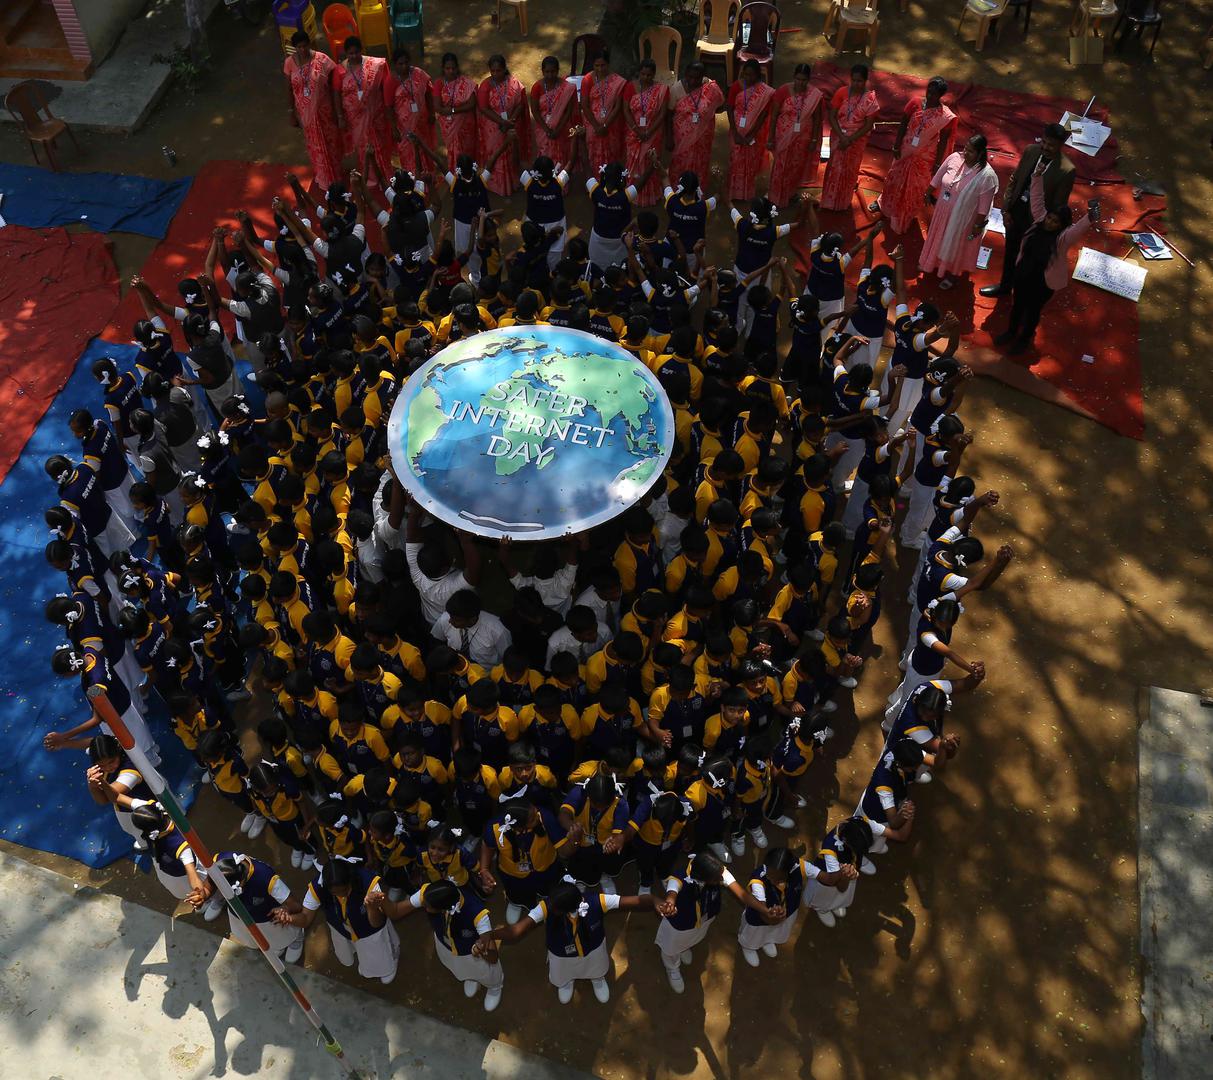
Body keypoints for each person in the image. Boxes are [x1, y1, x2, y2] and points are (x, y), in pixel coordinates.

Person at [488, 876, 655, 1003]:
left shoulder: (597, 901)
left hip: (593, 950)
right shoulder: (549, 905)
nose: (548, 907)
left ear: (567, 908)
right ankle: (566, 982)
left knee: (595, 966)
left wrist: (656, 900)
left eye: (555, 908)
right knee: (563, 971)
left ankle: (596, 978)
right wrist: (490, 934)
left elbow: (634, 901)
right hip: (561, 954)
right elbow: (517, 931)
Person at [992, 172, 1097, 354]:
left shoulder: (1063, 238)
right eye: (1050, 217)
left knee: (1032, 312)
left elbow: (1078, 229)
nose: (1049, 222)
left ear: (1062, 225)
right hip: (1024, 273)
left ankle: (1024, 339)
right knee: (1017, 305)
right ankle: (1010, 332)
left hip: (1042, 283)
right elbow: (1037, 199)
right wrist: (1037, 177)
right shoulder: (1039, 220)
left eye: (1055, 221)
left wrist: (1090, 217)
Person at [371, 878, 504, 1011]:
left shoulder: (478, 915)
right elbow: (395, 912)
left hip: (470, 953)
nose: (426, 907)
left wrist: (481, 950)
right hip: (446, 946)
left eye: (428, 907)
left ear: (444, 908)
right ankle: (472, 978)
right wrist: (381, 900)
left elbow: (492, 958)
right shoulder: (429, 893)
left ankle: (495, 987)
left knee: (485, 971)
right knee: (462, 969)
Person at [654, 850, 774, 993]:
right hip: (680, 924)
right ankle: (672, 967)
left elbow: (742, 895)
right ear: (703, 877)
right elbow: (672, 893)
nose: (720, 880)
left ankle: (684, 948)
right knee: (671, 947)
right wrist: (669, 903)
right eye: (716, 879)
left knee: (693, 937)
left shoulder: (717, 870)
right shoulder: (679, 878)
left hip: (704, 917)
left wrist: (764, 910)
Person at [981, 122, 1077, 299]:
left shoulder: (1066, 170)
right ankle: (1005, 286)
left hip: (1037, 223)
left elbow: (1058, 205)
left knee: (1028, 261)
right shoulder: (1031, 151)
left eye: (1051, 145)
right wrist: (1006, 209)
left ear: (1060, 146)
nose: (1046, 148)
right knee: (1010, 252)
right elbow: (1015, 180)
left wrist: (1043, 228)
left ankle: (1021, 295)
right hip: (1016, 212)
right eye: (1045, 142)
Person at [275, 857, 400, 984]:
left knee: (379, 949)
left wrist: (372, 908)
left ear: (350, 880)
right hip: (341, 929)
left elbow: (377, 923)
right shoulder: (317, 887)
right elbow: (306, 918)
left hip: (370, 930)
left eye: (345, 890)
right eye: (335, 892)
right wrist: (290, 918)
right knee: (358, 950)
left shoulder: (368, 883)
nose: (341, 895)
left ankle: (391, 961)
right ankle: (368, 961)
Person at [872, 77, 957, 234]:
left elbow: (943, 142)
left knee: (915, 188)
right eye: (929, 91)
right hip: (905, 150)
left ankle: (905, 215)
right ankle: (885, 205)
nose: (930, 95)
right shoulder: (915, 103)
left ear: (941, 96)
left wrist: (937, 165)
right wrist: (896, 145)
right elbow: (903, 124)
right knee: (894, 178)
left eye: (934, 94)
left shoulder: (945, 116)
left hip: (925, 159)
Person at [918, 134, 999, 290]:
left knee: (957, 246)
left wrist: (977, 226)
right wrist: (928, 192)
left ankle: (952, 275)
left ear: (980, 154)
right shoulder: (954, 158)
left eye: (970, 151)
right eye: (965, 149)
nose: (965, 153)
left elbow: (984, 207)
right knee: (938, 237)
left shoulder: (986, 176)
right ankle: (931, 263)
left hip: (964, 221)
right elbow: (938, 177)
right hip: (943, 212)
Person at [200, 851, 305, 963]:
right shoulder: (220, 862)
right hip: (240, 915)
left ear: (240, 884)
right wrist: (203, 894)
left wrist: (285, 909)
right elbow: (209, 883)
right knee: (261, 939)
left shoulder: (266, 878)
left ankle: (296, 938)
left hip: (269, 918)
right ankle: (275, 944)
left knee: (281, 934)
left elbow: (296, 905)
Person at [284, 32, 344, 193]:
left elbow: (335, 81)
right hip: (306, 115)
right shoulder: (289, 63)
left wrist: (338, 109)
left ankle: (336, 176)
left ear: (309, 44)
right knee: (315, 145)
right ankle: (324, 177)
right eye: (299, 47)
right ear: (294, 47)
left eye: (305, 46)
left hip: (324, 110)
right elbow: (289, 89)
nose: (303, 49)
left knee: (330, 142)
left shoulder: (322, 59)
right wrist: (292, 112)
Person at [820, 64, 879, 212]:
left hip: (856, 140)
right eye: (854, 80)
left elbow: (868, 125)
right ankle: (827, 202)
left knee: (849, 171)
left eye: (859, 81)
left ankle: (842, 203)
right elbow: (832, 116)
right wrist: (842, 136)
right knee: (834, 167)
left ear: (865, 81)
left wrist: (850, 139)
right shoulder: (842, 92)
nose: (856, 84)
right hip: (839, 137)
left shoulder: (870, 99)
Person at [333, 36, 394, 182]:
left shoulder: (376, 65)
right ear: (346, 53)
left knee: (381, 145)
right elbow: (336, 93)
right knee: (362, 147)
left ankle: (386, 173)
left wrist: (389, 109)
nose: (353, 56)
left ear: (361, 51)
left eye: (356, 52)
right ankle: (371, 176)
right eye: (350, 53)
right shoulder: (340, 70)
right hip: (356, 119)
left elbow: (385, 87)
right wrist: (340, 117)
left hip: (376, 115)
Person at [766, 64, 824, 209]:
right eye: (798, 79)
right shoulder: (783, 91)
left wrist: (814, 140)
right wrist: (771, 137)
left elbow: (817, 119)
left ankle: (790, 194)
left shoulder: (814, 96)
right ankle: (774, 197)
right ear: (794, 77)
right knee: (780, 166)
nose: (800, 82)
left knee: (795, 167)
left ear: (808, 80)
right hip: (783, 136)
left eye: (804, 80)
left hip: (802, 139)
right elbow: (773, 116)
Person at [130, 803, 208, 906]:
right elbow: (122, 799)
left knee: (202, 889)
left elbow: (192, 875)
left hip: (183, 876)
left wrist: (200, 894)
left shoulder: (181, 846)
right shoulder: (152, 814)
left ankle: (210, 899)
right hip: (165, 868)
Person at [476, 55, 531, 196]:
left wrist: (510, 120)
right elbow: (483, 108)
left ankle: (514, 181)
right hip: (493, 128)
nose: (495, 74)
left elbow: (520, 104)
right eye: (492, 71)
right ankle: (497, 185)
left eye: (499, 70)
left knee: (512, 153)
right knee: (497, 154)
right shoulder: (485, 86)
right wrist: (502, 122)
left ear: (504, 69)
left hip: (511, 125)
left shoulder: (513, 82)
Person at [726, 60, 776, 204]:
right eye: (746, 74)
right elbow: (729, 107)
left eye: (751, 75)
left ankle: (747, 192)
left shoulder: (765, 91)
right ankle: (733, 192)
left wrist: (752, 134)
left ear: (758, 75)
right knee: (736, 160)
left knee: (750, 162)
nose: (748, 78)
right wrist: (735, 132)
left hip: (754, 133)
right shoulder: (737, 86)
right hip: (736, 128)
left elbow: (764, 114)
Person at [667, 61, 725, 185]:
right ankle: (679, 189)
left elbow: (720, 106)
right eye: (690, 77)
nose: (693, 81)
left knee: (701, 162)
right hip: (681, 138)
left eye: (697, 78)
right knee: (680, 162)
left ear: (703, 76)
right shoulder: (676, 89)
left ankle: (697, 189)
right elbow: (669, 113)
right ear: (685, 74)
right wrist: (669, 137)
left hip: (703, 138)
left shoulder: (710, 88)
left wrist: (706, 115)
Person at [622, 60, 669, 207]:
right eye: (643, 74)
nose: (646, 77)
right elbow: (626, 110)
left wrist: (649, 131)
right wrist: (636, 130)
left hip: (653, 134)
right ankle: (633, 193)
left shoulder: (662, 90)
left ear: (654, 74)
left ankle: (650, 194)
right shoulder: (631, 87)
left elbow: (662, 114)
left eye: (649, 75)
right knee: (633, 163)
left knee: (650, 163)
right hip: (634, 133)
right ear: (639, 73)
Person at [386, 47, 434, 176]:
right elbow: (389, 107)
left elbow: (428, 93)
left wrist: (432, 113)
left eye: (406, 62)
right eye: (400, 64)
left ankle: (428, 175)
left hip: (422, 121)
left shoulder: (418, 74)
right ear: (395, 64)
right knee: (409, 152)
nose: (404, 66)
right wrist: (394, 128)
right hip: (404, 127)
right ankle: (413, 177)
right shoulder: (391, 81)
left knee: (425, 147)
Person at [581, 51, 627, 176]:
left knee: (613, 152)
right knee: (593, 153)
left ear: (608, 64)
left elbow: (618, 106)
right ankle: (595, 182)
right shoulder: (587, 80)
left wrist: (605, 125)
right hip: (592, 124)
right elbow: (585, 105)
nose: (600, 69)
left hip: (612, 125)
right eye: (596, 65)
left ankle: (613, 179)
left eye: (603, 65)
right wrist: (597, 126)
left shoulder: (618, 81)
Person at [433, 52, 480, 171]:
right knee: (453, 150)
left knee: (467, 150)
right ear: (443, 69)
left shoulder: (465, 83)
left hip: (466, 125)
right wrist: (447, 111)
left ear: (457, 68)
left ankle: (469, 172)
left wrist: (452, 110)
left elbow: (472, 103)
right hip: (449, 126)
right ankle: (455, 173)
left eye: (453, 68)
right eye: (448, 68)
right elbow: (438, 107)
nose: (451, 71)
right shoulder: (439, 84)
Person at [530, 55, 576, 169]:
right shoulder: (537, 87)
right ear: (542, 71)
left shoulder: (567, 88)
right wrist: (546, 129)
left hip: (562, 130)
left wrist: (558, 129)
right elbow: (535, 111)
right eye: (547, 72)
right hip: (543, 130)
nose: (550, 75)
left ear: (557, 71)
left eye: (553, 72)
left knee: (562, 158)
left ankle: (561, 184)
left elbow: (568, 111)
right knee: (544, 159)